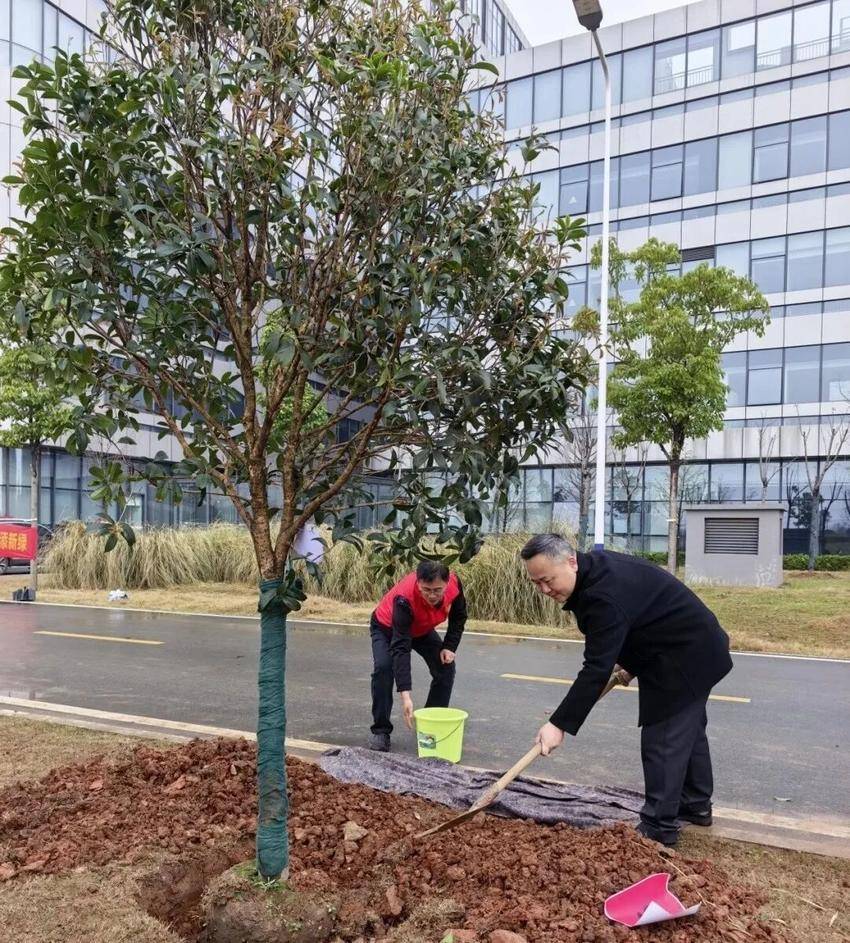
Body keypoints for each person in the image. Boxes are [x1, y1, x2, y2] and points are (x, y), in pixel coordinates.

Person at [520, 533, 733, 848]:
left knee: (664, 738)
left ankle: (659, 826)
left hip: (685, 655)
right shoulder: (595, 572)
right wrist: (631, 663)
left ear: (571, 561)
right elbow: (641, 615)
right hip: (686, 646)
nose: (544, 590)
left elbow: (595, 668)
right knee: (688, 731)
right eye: (536, 583)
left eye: (548, 580)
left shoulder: (602, 595)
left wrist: (559, 724)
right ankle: (695, 805)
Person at [368, 560, 467, 752]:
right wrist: (406, 695)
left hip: (420, 630)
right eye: (426, 589)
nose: (432, 595)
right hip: (387, 629)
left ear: (447, 583)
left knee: (445, 667)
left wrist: (449, 647)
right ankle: (381, 731)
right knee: (384, 669)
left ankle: (430, 727)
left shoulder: (454, 584)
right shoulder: (404, 598)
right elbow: (401, 648)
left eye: (437, 590)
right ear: (418, 582)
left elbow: (459, 616)